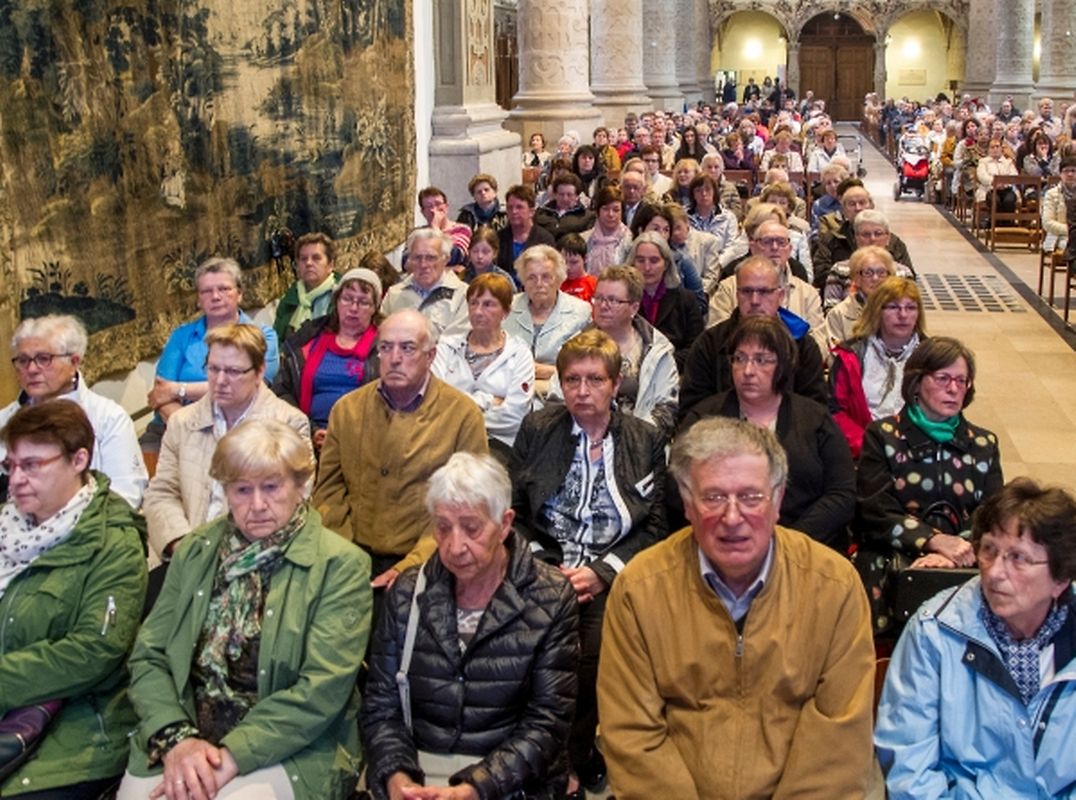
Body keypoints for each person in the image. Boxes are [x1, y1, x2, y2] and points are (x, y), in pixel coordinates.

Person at [597, 417, 874, 798]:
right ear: (687, 502)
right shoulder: (639, 589)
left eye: (750, 497)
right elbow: (631, 733)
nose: (731, 517)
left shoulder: (835, 586)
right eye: (713, 497)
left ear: (777, 500)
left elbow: (839, 739)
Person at [118, 420, 371, 800]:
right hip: (187, 733)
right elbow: (149, 656)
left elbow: (321, 690)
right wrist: (178, 739)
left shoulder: (340, 564)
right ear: (224, 491)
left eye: (271, 487)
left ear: (301, 487)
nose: (257, 505)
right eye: (241, 490)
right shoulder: (197, 549)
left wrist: (231, 757)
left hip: (293, 746)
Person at [362, 453, 580, 800]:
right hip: (419, 767)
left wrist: (474, 789)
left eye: (471, 527)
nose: (454, 546)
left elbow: (547, 724)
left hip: (510, 779)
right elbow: (380, 708)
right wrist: (397, 778)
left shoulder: (551, 598)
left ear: (505, 523)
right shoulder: (407, 591)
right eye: (443, 527)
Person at [510, 329, 667, 800]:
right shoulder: (539, 429)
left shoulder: (644, 439)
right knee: (526, 646)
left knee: (589, 655)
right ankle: (535, 750)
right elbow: (512, 510)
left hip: (610, 573)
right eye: (572, 379)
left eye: (595, 379)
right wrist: (541, 564)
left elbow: (656, 525)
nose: (582, 391)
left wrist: (602, 573)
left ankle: (575, 753)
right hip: (544, 565)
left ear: (615, 385)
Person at [875, 477, 1076, 798]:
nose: (995, 572)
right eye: (989, 551)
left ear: (1061, 578)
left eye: (1019, 558)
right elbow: (908, 765)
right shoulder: (933, 631)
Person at [0, 400, 148, 799]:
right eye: (10, 465)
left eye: (32, 465)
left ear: (79, 459)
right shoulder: (6, 526)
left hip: (76, 728)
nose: (16, 479)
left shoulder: (112, 540)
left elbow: (93, 651)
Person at [312, 310, 489, 587]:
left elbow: (465, 505)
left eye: (407, 348)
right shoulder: (347, 409)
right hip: (349, 556)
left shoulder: (462, 415)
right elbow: (328, 492)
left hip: (429, 562)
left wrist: (413, 565)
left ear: (430, 356)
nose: (395, 359)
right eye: (385, 348)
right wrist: (343, 555)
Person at [855, 337, 1003, 636]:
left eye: (962, 381)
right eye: (943, 378)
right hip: (891, 561)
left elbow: (993, 516)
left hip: (963, 560)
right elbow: (874, 511)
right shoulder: (884, 436)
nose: (953, 389)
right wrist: (932, 541)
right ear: (916, 382)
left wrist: (953, 551)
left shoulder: (983, 444)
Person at [681, 316, 855, 550]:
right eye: (740, 359)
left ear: (783, 365)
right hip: (724, 545)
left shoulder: (816, 419)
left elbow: (842, 495)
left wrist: (788, 542)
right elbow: (680, 489)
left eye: (762, 360)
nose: (748, 371)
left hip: (807, 547)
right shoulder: (703, 419)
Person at [143, 324, 312, 561]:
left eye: (233, 371)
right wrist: (181, 545)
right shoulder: (182, 423)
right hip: (188, 554)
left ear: (259, 371)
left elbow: (296, 505)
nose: (220, 381)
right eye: (213, 369)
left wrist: (227, 557)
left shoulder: (289, 424)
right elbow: (162, 492)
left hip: (256, 558)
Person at [1, 315, 147, 509]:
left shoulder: (109, 417)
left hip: (91, 530)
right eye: (23, 360)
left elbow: (126, 496)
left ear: (74, 362)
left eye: (44, 359)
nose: (31, 369)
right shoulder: (4, 420)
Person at [143, 258, 279, 452]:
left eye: (224, 289)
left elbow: (253, 389)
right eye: (206, 291)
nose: (215, 296)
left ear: (239, 294)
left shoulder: (262, 336)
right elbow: (161, 393)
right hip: (173, 426)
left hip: (238, 428)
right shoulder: (181, 336)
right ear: (199, 299)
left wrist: (179, 389)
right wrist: (191, 430)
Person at [680, 256, 827, 413]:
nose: (755, 300)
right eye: (747, 291)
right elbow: (692, 410)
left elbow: (815, 411)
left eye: (764, 292)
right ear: (737, 295)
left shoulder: (802, 345)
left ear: (781, 296)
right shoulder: (709, 344)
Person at [272, 268, 382, 452]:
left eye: (363, 302)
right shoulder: (307, 338)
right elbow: (282, 391)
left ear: (374, 308)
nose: (353, 308)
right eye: (347, 299)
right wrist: (310, 429)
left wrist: (344, 435)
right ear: (336, 301)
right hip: (305, 437)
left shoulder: (385, 346)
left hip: (363, 442)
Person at [432, 273, 535, 457]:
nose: (478, 311)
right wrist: (487, 400)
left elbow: (515, 416)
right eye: (473, 303)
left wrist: (457, 413)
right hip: (446, 440)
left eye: (488, 304)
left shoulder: (519, 354)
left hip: (498, 445)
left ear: (506, 312)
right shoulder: (446, 347)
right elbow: (434, 403)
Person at [829, 277, 926, 458]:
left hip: (918, 451)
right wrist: (869, 445)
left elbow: (940, 410)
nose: (903, 315)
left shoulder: (931, 357)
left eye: (911, 307)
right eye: (893, 307)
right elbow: (836, 412)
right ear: (877, 312)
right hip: (863, 452)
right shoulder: (851, 356)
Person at [503, 245, 591, 400]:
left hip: (560, 396)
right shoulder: (507, 308)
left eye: (546, 277)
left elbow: (586, 368)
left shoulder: (580, 312)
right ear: (523, 280)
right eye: (531, 277)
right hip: (509, 391)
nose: (538, 283)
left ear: (558, 279)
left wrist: (545, 371)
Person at [627, 232, 703, 369]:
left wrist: (660, 364)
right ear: (632, 263)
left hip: (675, 371)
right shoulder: (623, 299)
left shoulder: (686, 300)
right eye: (640, 260)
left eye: (654, 260)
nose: (647, 267)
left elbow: (696, 348)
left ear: (666, 263)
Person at [382, 227, 469, 338]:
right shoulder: (394, 295)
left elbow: (457, 343)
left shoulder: (463, 296)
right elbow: (384, 338)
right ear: (409, 260)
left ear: (446, 259)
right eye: (417, 257)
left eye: (431, 258)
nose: (423, 265)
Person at [817, 245, 897, 358]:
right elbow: (836, 358)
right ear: (856, 278)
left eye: (881, 272)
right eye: (868, 273)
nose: (875, 278)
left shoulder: (903, 312)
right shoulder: (838, 315)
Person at [272, 232, 340, 341]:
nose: (308, 263)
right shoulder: (290, 298)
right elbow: (277, 340)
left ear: (331, 265)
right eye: (303, 259)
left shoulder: (341, 296)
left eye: (316, 258)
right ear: (297, 266)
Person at [496, 185, 557, 278]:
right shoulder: (498, 238)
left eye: (519, 207)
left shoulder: (544, 239)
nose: (514, 211)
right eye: (510, 207)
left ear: (532, 211)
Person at [583, 184, 632, 277]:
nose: (611, 214)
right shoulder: (585, 239)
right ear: (597, 211)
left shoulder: (629, 241)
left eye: (616, 210)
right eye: (605, 209)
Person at [415, 186, 471, 267]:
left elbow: (454, 257)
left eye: (438, 204)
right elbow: (406, 262)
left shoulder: (462, 229)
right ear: (423, 212)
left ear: (446, 207)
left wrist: (435, 229)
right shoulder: (417, 233)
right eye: (429, 206)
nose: (434, 210)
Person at [534, 173, 596, 241]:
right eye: (561, 194)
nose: (565, 199)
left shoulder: (587, 217)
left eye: (569, 195)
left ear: (577, 196)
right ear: (555, 194)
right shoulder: (540, 213)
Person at [1041, 154, 1076, 253]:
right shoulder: (1052, 194)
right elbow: (1047, 223)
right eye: (1066, 171)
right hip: (1060, 237)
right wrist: (1070, 231)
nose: (1070, 174)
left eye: (1073, 171)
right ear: (1060, 174)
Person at [558, 232, 597, 302]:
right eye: (564, 262)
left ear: (585, 259)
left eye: (574, 262)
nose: (568, 267)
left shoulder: (594, 284)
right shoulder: (558, 284)